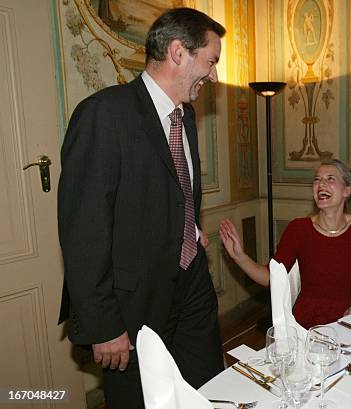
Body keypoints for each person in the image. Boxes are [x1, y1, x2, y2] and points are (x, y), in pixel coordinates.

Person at [57, 8, 225, 408]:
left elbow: (167, 190)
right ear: (178, 52)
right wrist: (103, 326)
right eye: (212, 60)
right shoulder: (104, 114)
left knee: (209, 391)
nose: (215, 75)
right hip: (134, 304)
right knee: (142, 400)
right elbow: (84, 230)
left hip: (191, 286)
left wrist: (187, 228)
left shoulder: (184, 114)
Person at [220, 159, 351, 328]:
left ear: (347, 190)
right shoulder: (298, 229)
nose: (321, 184)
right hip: (308, 323)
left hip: (350, 317)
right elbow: (272, 278)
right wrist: (240, 257)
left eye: (330, 179)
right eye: (317, 179)